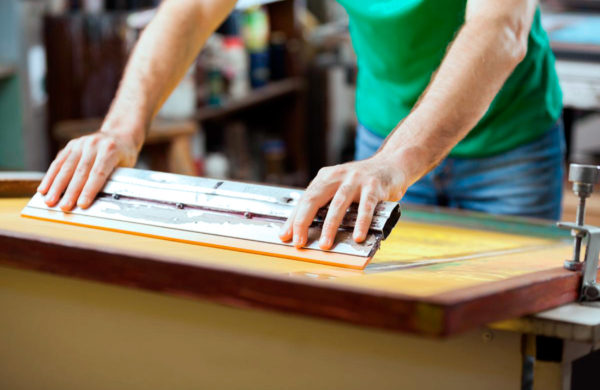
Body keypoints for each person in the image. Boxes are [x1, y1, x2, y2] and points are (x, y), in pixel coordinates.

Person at [38, 0, 564, 252]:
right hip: (384, 135)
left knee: (505, 343)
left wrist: (391, 163)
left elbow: (501, 26)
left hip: (508, 145)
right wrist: (121, 130)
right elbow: (194, 9)